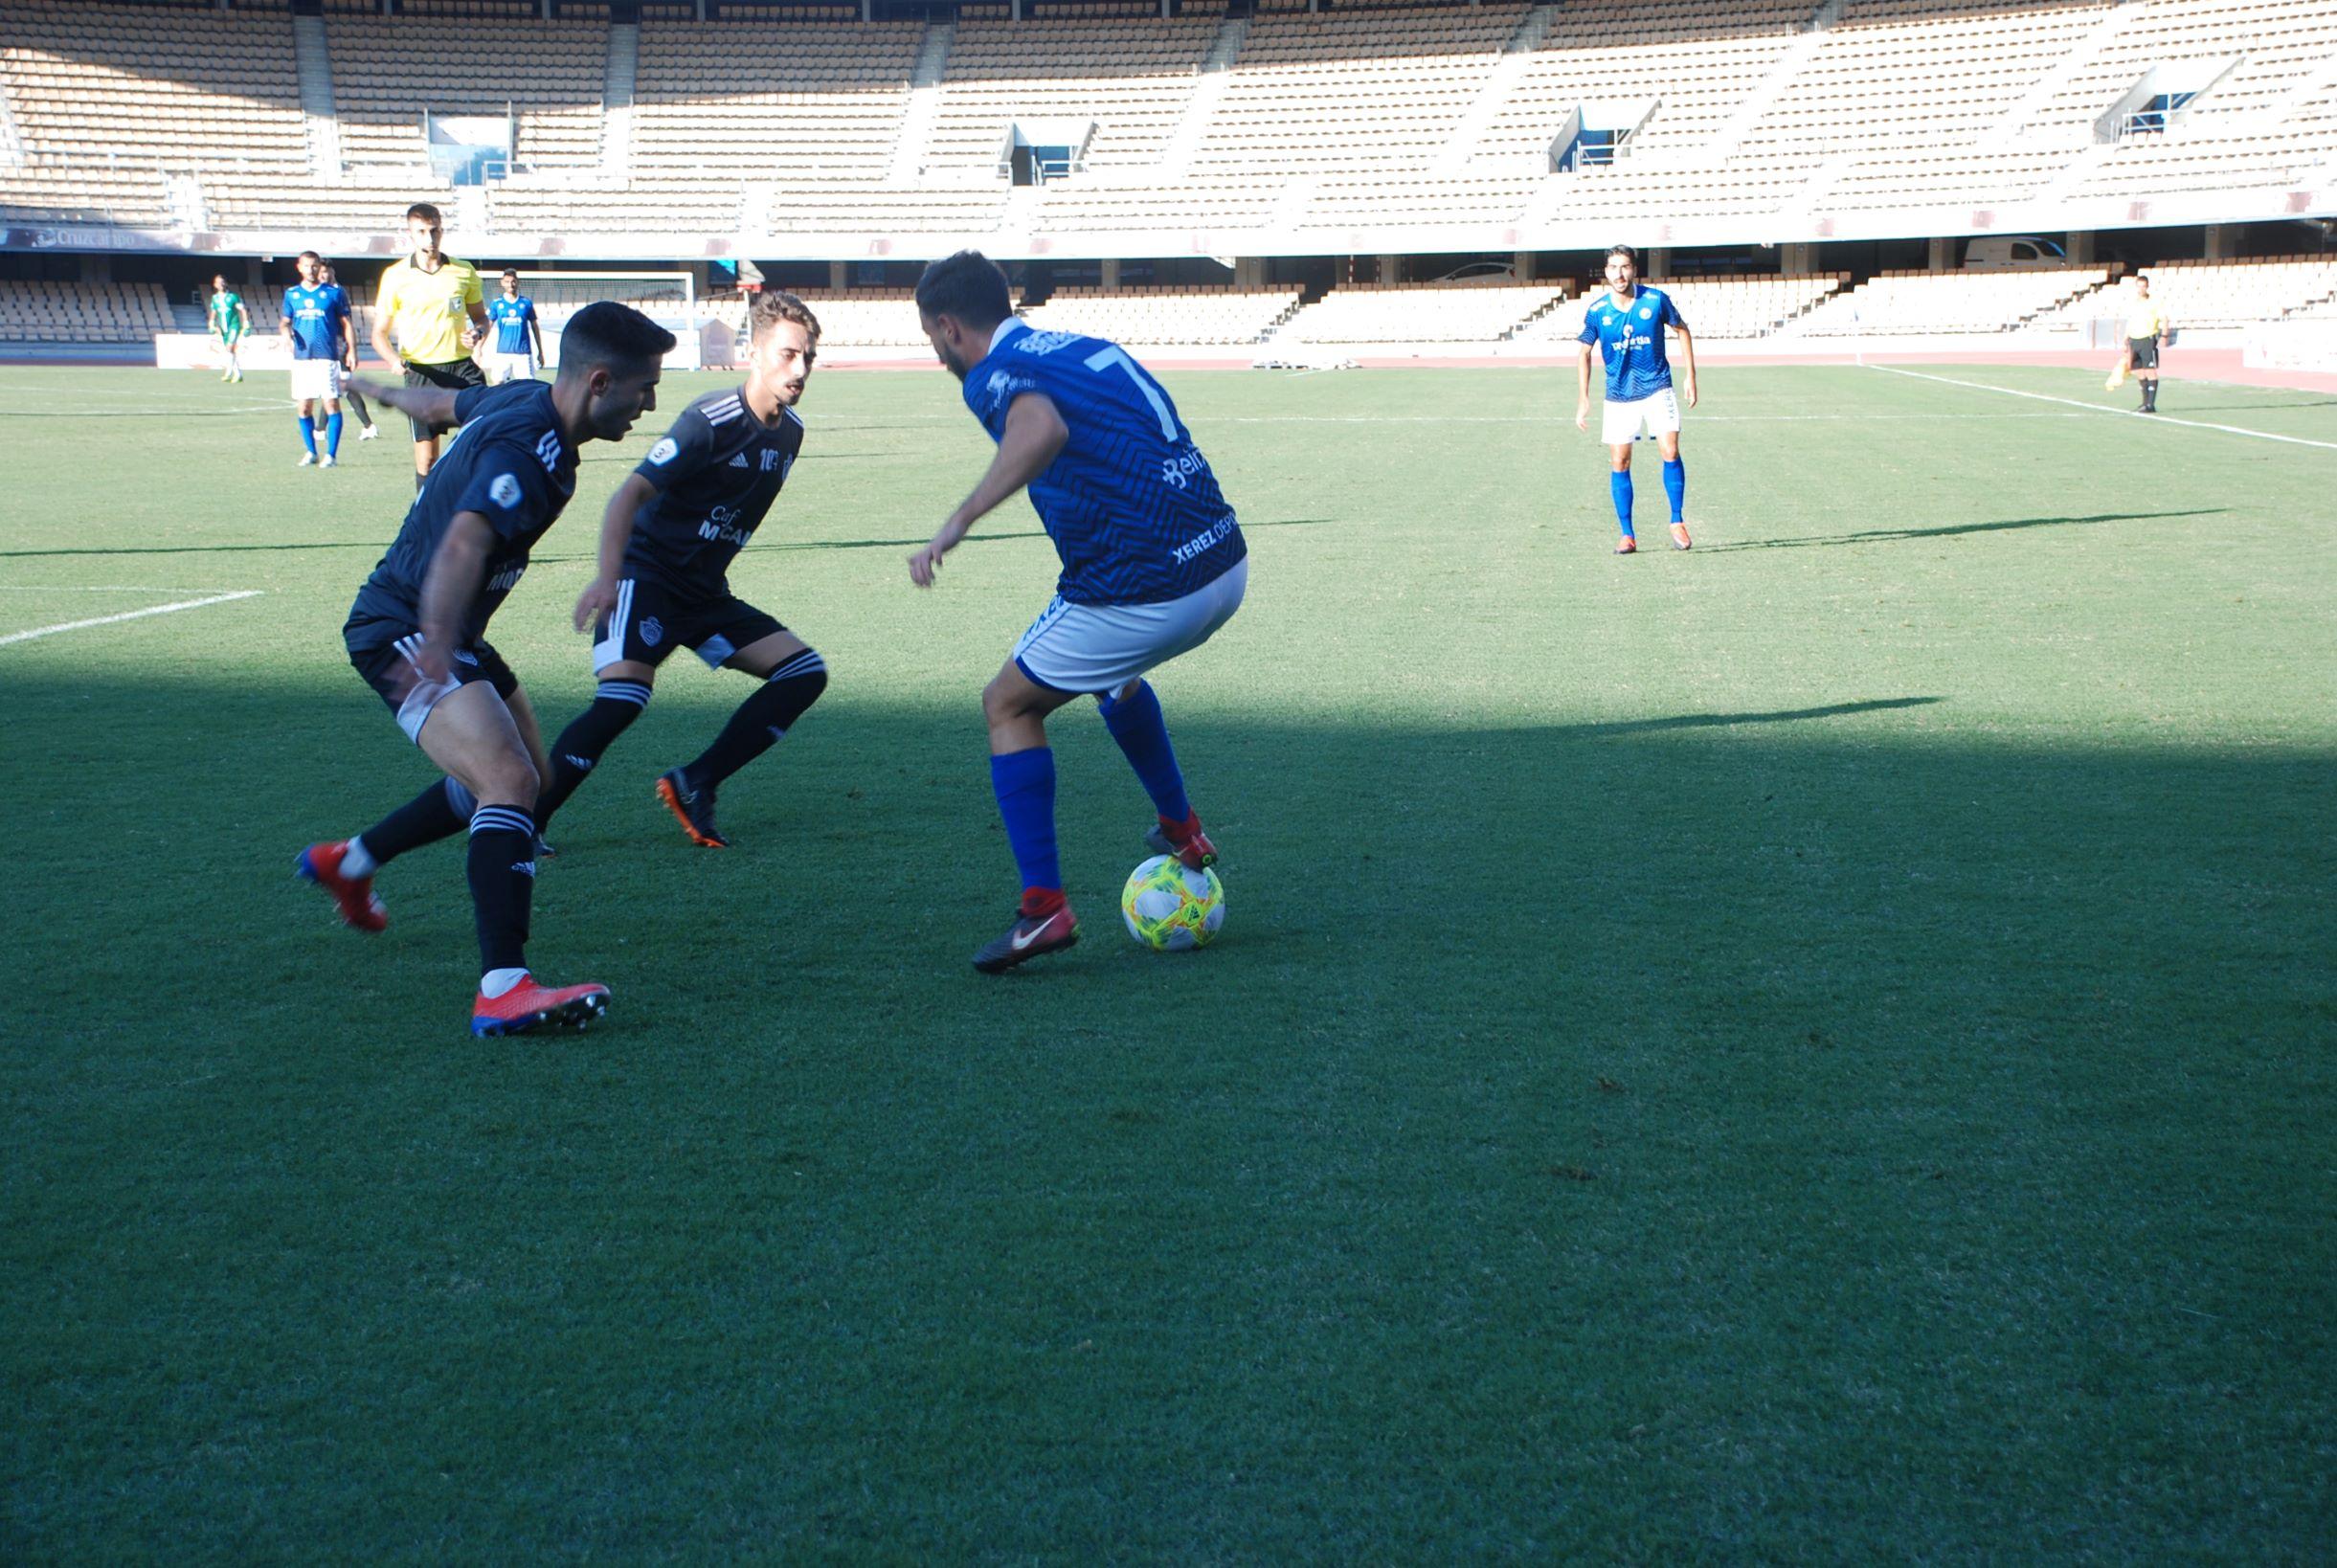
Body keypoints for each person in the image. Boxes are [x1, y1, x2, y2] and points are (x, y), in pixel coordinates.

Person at [295, 302, 674, 1038]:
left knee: (522, 784)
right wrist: (436, 641)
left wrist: (379, 393)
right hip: (405, 626)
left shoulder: (526, 398)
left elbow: (440, 402)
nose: (650, 404)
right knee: (507, 782)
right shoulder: (527, 452)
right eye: (644, 387)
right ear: (599, 381)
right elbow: (465, 542)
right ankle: (503, 987)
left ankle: (352, 861)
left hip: (449, 628)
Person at [908, 250, 1246, 974]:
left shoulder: (990, 374)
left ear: (945, 325)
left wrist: (958, 520)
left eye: (932, 339)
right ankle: (1182, 830)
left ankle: (1043, 910)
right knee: (1109, 674)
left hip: (1149, 587)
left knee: (1006, 705)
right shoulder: (1085, 344)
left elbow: (1042, 430)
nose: (935, 353)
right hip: (1224, 560)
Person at [535, 291, 826, 850]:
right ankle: (527, 820)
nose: (800, 369)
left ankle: (697, 781)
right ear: (754, 352)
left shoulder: (791, 432)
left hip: (703, 596)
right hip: (645, 578)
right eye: (788, 354)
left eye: (808, 357)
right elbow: (628, 495)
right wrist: (607, 576)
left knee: (803, 672)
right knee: (621, 701)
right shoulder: (707, 421)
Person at [1575, 244, 1697, 554]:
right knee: (1620, 461)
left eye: (1625, 266)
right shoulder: (1597, 311)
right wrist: (1584, 399)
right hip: (1619, 395)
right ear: (1606, 273)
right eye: (1614, 267)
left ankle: (1676, 520)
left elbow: (1683, 330)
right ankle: (1627, 534)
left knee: (1670, 450)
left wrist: (1690, 376)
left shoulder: (1655, 300)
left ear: (1634, 270)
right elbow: (1584, 352)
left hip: (1657, 386)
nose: (1620, 273)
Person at [371, 202, 489, 487]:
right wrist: (392, 359)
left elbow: (482, 320)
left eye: (434, 230)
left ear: (442, 230)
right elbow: (379, 333)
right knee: (427, 459)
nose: (429, 238)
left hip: (462, 371)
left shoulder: (463, 271)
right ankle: (425, 520)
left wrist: (477, 334)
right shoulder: (395, 275)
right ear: (410, 234)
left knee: (483, 442)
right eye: (422, 231)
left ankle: (477, 512)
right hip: (422, 373)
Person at [281, 250, 354, 468]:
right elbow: (285, 321)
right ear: (299, 267)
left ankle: (331, 455)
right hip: (302, 359)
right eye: (307, 266)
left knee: (331, 403)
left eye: (314, 266)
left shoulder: (332, 293)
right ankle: (311, 452)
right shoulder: (292, 294)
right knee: (303, 408)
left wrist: (352, 350)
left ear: (319, 268)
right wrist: (286, 334)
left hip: (327, 357)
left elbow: (346, 324)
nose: (311, 270)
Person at [318, 263, 381, 439]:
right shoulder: (323, 291)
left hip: (339, 346)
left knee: (339, 387)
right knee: (335, 387)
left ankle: (322, 429)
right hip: (327, 347)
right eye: (320, 272)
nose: (322, 275)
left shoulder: (337, 292)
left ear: (332, 272)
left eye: (325, 272)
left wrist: (350, 349)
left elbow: (346, 322)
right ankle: (321, 429)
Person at [483, 269, 546, 385]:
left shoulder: (526, 303)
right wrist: (479, 347)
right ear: (502, 283)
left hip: (522, 353)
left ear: (517, 282)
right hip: (502, 352)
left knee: (526, 387)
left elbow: (535, 327)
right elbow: (488, 325)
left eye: (513, 281)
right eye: (507, 281)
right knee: (497, 384)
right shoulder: (497, 304)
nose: (510, 285)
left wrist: (540, 351)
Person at [2121, 276, 2168, 414]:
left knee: (2150, 371)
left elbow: (2164, 318)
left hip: (2147, 340)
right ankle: (2144, 403)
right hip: (2134, 340)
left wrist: (2164, 335)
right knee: (2139, 372)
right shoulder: (2134, 303)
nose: (2141, 289)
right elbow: (2131, 321)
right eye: (2139, 286)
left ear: (2147, 287)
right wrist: (2126, 338)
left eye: (2143, 286)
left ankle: (2151, 404)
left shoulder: (2154, 302)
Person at [206, 274, 249, 383]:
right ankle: (238, 374)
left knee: (229, 348)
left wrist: (246, 324)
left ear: (226, 283)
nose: (221, 284)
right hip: (223, 328)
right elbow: (214, 312)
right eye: (218, 282)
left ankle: (228, 373)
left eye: (222, 282)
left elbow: (243, 310)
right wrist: (211, 324)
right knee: (230, 351)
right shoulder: (215, 298)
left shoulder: (233, 297)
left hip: (233, 326)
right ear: (215, 285)